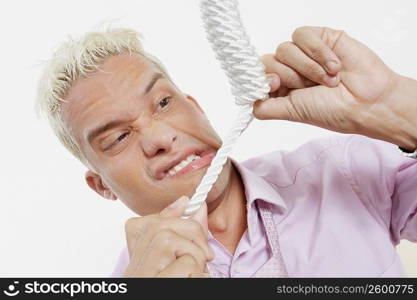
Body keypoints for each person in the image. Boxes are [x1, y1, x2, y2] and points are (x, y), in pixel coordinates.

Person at [36, 26, 417, 277]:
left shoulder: (342, 170)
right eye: (118, 138)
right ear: (101, 186)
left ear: (197, 107)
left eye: (164, 102)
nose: (160, 137)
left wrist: (399, 107)